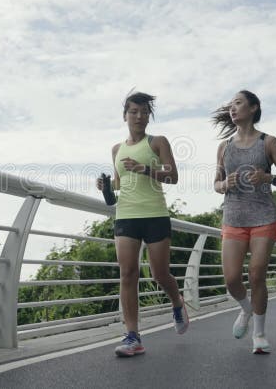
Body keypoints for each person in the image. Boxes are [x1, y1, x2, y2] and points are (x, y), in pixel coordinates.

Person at [96, 91, 188, 357]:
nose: (139, 116)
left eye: (144, 112)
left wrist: (144, 169)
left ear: (149, 116)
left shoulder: (158, 142)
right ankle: (133, 336)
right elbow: (117, 186)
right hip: (126, 215)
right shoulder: (116, 149)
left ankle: (177, 302)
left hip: (154, 214)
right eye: (134, 112)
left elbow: (173, 176)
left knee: (160, 274)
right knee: (128, 274)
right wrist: (105, 187)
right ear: (125, 115)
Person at [212, 90, 276, 354]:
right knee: (232, 279)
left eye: (238, 103)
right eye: (231, 105)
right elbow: (216, 183)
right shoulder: (224, 147)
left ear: (253, 108)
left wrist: (268, 178)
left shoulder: (268, 142)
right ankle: (246, 309)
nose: (232, 108)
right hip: (234, 218)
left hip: (263, 217)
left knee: (257, 273)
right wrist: (225, 183)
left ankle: (259, 334)